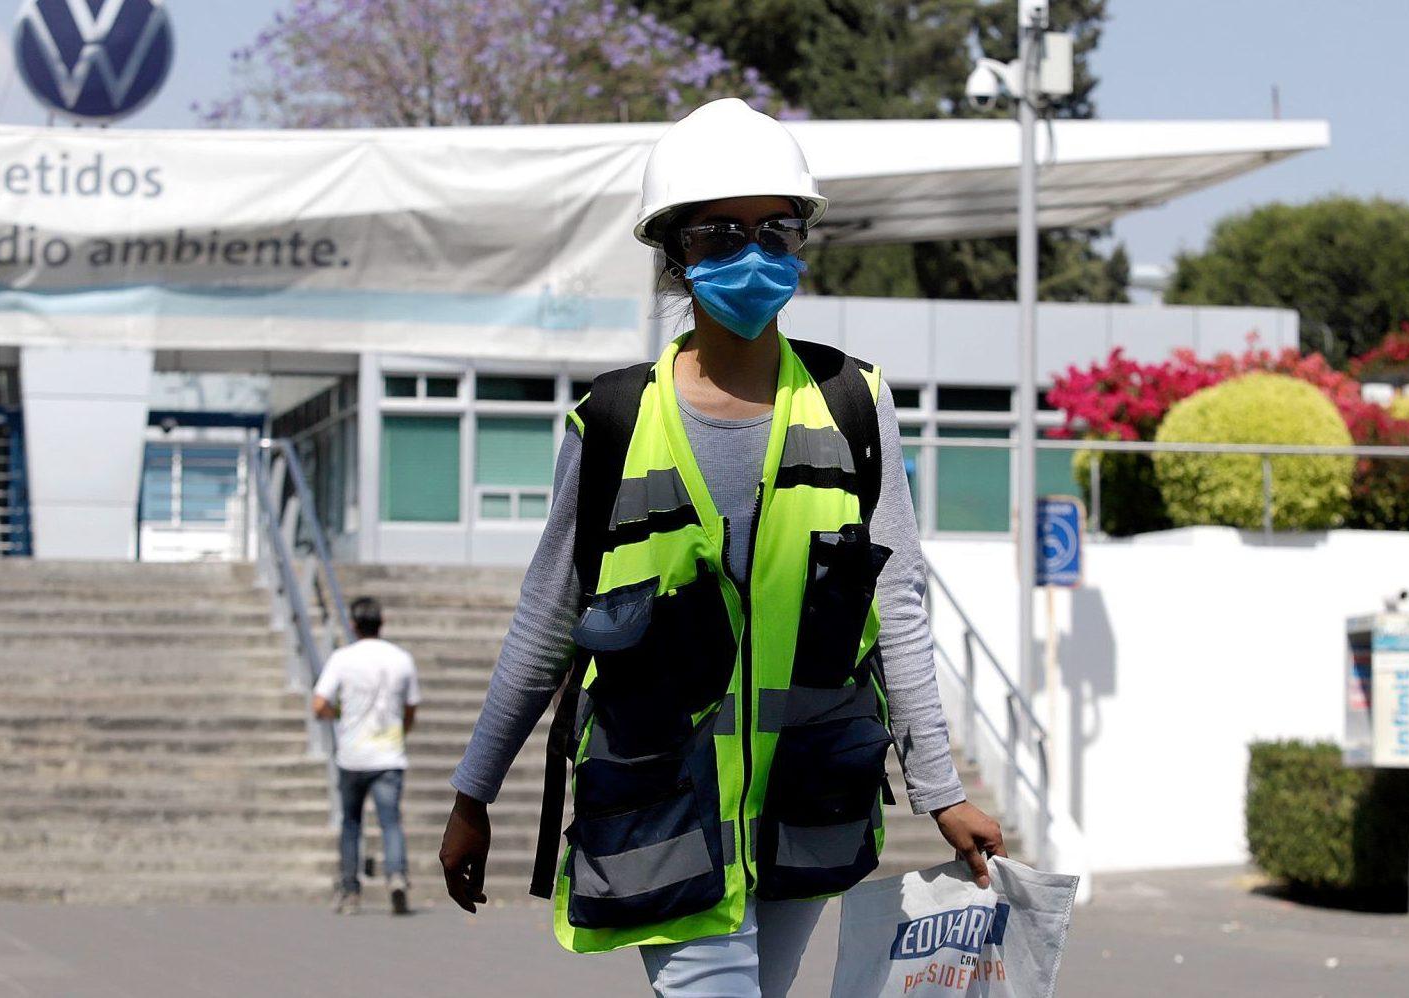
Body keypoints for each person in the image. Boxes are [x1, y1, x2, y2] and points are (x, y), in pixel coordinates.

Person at [438, 97, 1003, 996]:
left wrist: (940, 788)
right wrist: (474, 795)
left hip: (805, 794)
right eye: (717, 233)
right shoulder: (614, 422)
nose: (752, 253)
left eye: (775, 229)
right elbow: (548, 619)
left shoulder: (854, 402)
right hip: (663, 798)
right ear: (675, 254)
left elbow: (895, 604)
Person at [312, 595, 421, 915]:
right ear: (381, 623)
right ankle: (397, 876)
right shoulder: (401, 659)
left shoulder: (342, 659)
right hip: (389, 755)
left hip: (353, 756)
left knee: (351, 824)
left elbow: (319, 704)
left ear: (353, 624)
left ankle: (349, 891)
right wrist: (402, 731)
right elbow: (411, 707)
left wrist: (341, 712)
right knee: (390, 822)